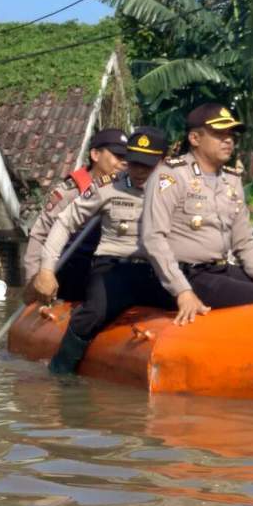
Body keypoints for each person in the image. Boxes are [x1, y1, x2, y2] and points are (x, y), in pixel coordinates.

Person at [38, 128, 173, 373]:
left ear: (163, 161)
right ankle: (60, 372)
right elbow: (65, 222)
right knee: (93, 313)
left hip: (159, 271)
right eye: (134, 163)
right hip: (114, 270)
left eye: (147, 165)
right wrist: (46, 270)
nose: (139, 171)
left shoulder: (178, 188)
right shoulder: (108, 186)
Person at [141, 103, 253, 326]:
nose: (228, 140)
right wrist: (182, 291)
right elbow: (153, 238)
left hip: (220, 270)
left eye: (231, 135)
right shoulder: (171, 176)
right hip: (186, 275)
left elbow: (244, 242)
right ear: (195, 138)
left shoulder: (231, 181)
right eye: (219, 134)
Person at [24, 128, 128, 304]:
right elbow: (40, 235)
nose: (123, 163)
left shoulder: (127, 190)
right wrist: (34, 281)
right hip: (70, 268)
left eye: (126, 157)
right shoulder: (70, 192)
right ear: (95, 155)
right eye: (118, 156)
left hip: (107, 269)